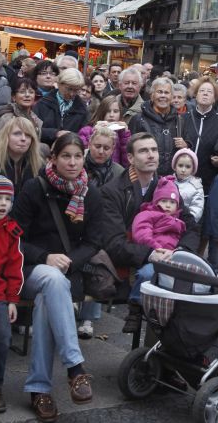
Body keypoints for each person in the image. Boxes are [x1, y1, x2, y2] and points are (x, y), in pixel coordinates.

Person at [12, 133, 102, 422]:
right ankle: (75, 367)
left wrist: (70, 261)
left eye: (77, 156)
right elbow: (15, 238)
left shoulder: (91, 194)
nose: (72, 162)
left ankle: (39, 389)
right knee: (51, 280)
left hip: (68, 273)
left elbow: (94, 242)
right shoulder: (34, 188)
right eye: (66, 156)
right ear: (53, 159)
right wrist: (45, 257)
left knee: (46, 302)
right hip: (30, 268)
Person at [101, 133, 197, 334]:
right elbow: (113, 243)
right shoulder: (112, 191)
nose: (151, 155)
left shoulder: (166, 186)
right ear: (130, 158)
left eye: (154, 150)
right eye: (144, 151)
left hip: (169, 255)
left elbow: (191, 226)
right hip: (131, 264)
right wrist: (151, 254)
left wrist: (179, 251)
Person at [76, 126, 124, 340]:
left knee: (97, 266)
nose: (101, 151)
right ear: (89, 144)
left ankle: (88, 317)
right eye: (97, 146)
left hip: (103, 225)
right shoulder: (78, 163)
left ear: (113, 149)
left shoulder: (118, 172)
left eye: (106, 148)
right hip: (76, 219)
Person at [129, 177, 187, 299]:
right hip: (153, 255)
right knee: (147, 274)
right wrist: (156, 248)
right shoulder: (148, 214)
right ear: (156, 201)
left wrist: (178, 252)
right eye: (164, 201)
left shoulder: (179, 221)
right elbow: (142, 233)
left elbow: (182, 240)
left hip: (172, 258)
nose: (168, 205)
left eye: (172, 202)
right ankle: (135, 301)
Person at [0, 174, 23, 414]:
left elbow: (14, 268)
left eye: (7, 199)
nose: (3, 203)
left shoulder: (12, 231)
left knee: (3, 338)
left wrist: (12, 299)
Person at [182, 79, 218, 194]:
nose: (205, 93)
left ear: (214, 98)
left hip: (208, 183)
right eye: (202, 91)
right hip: (181, 181)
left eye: (209, 92)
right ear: (196, 95)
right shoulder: (183, 119)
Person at [128, 77, 187, 175]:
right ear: (152, 95)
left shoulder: (179, 120)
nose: (163, 95)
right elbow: (130, 150)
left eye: (166, 92)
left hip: (171, 178)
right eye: (159, 92)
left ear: (171, 97)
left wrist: (185, 145)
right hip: (145, 175)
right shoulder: (138, 120)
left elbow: (186, 147)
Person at [33, 69, 88, 145]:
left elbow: (84, 134)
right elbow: (34, 130)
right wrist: (55, 133)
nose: (72, 94)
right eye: (69, 89)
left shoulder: (82, 108)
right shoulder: (43, 103)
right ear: (59, 84)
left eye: (76, 90)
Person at [0, 117, 44, 197]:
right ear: (6, 136)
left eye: (28, 135)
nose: (23, 139)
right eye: (17, 134)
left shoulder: (38, 164)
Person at [78, 95, 131, 168]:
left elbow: (127, 163)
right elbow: (81, 156)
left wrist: (124, 136)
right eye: (108, 111)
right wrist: (94, 133)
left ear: (120, 114)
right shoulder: (87, 131)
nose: (111, 115)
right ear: (102, 112)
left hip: (114, 173)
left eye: (115, 111)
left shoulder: (122, 134)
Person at [172, 148, 204, 223]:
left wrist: (185, 222)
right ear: (175, 166)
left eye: (188, 167)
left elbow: (197, 209)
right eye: (180, 165)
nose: (183, 170)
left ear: (193, 169)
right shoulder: (168, 182)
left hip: (185, 224)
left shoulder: (196, 187)